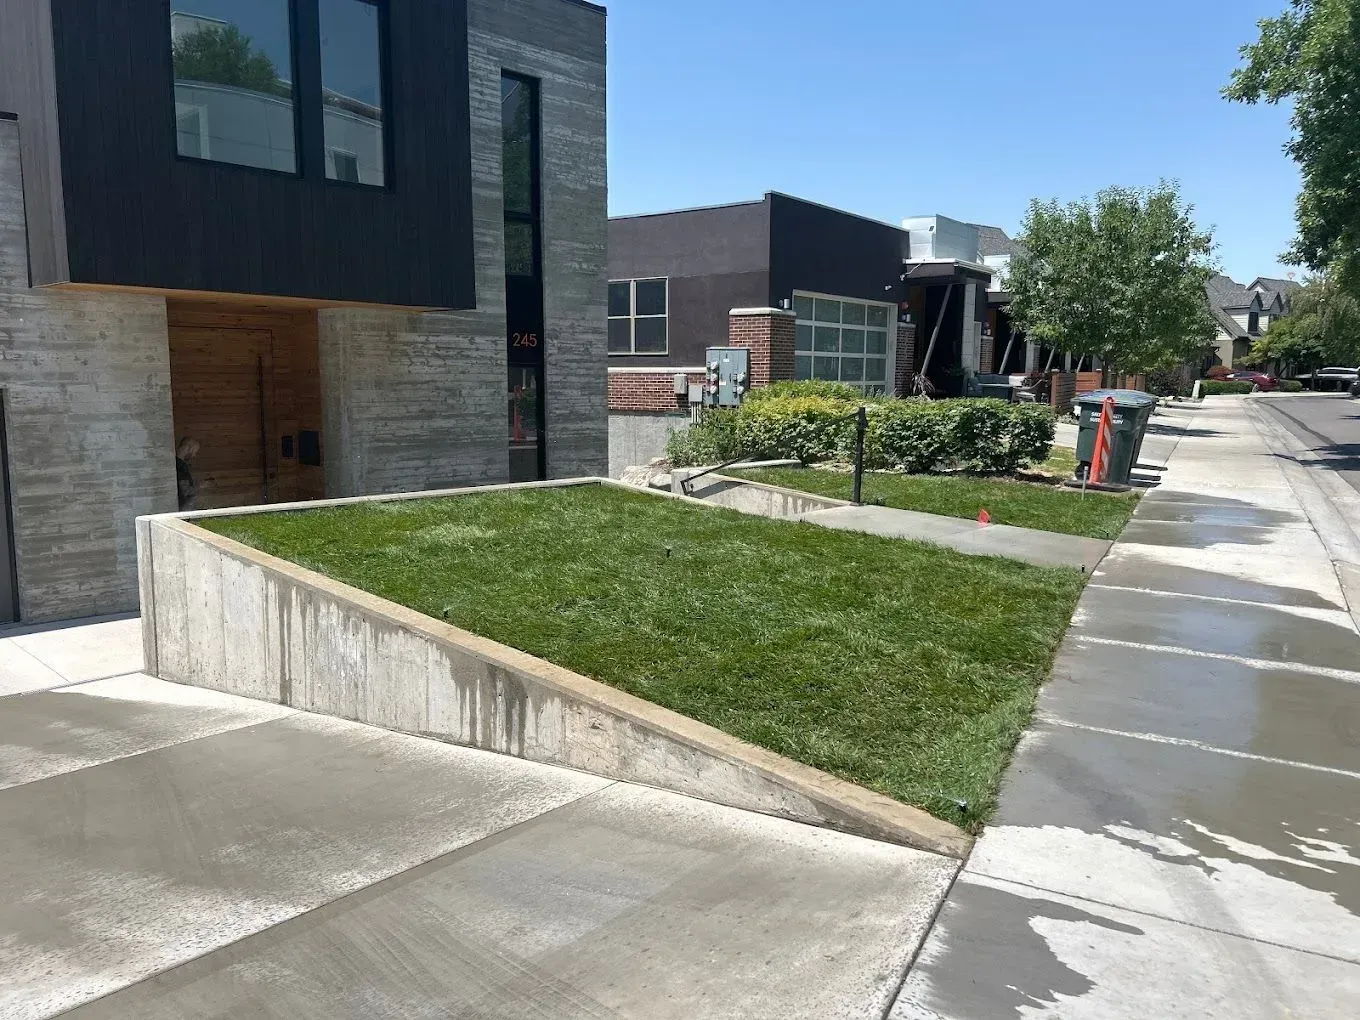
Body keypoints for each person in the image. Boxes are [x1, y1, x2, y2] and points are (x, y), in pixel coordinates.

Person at [176, 438, 200, 511]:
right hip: (183, 509)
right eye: (194, 452)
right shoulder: (180, 466)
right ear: (188, 449)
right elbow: (185, 491)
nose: (194, 455)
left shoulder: (178, 463)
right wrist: (200, 486)